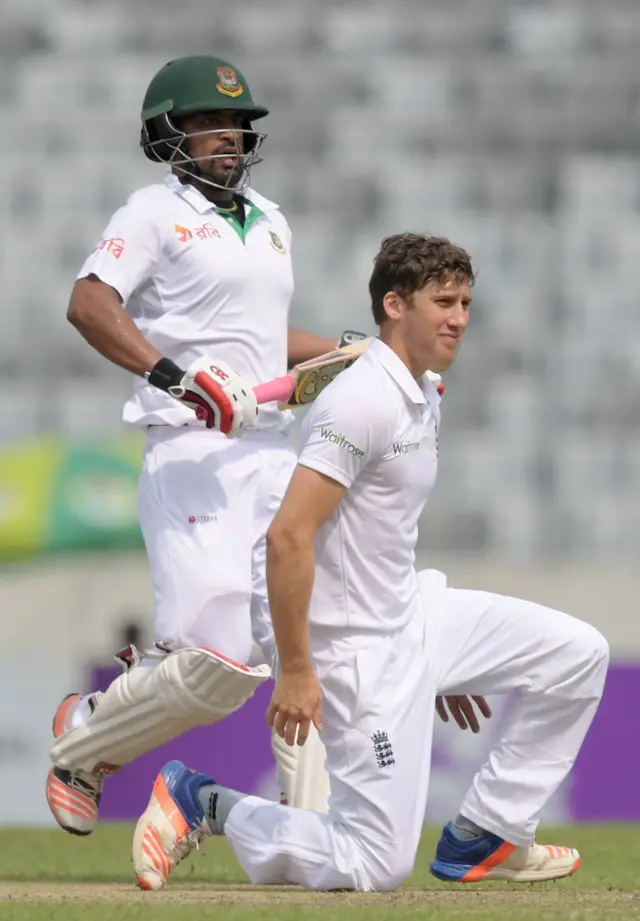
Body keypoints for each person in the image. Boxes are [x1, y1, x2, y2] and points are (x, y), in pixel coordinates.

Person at [131, 233, 609, 892]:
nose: (460, 317)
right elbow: (288, 536)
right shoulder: (361, 399)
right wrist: (296, 668)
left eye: (467, 301)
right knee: (372, 864)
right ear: (394, 304)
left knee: (578, 653)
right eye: (443, 301)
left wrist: (447, 659)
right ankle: (204, 801)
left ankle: (488, 831)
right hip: (350, 641)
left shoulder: (423, 388)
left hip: (409, 608)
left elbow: (381, 534)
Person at [46, 53, 366, 835]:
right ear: (168, 135)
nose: (226, 135)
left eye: (235, 123)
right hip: (191, 452)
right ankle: (86, 739)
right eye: (206, 122)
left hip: (270, 451)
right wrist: (176, 375)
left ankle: (309, 834)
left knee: (300, 643)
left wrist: (358, 354)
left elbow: (261, 336)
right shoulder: (152, 212)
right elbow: (89, 303)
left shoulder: (273, 220)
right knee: (217, 667)